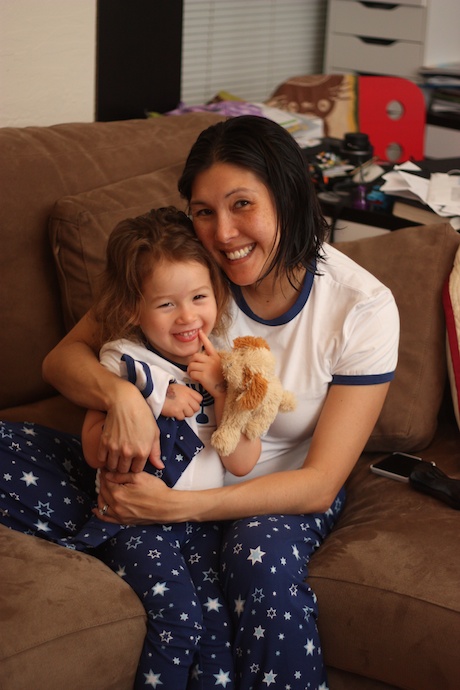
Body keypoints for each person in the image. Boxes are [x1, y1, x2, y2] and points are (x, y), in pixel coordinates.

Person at [36, 114, 400, 690]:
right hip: (176, 469)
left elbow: (320, 483)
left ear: (287, 195)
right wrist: (121, 396)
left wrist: (176, 510)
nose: (224, 234)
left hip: (276, 493)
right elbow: (63, 360)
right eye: (204, 211)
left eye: (241, 205)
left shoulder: (362, 308)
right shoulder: (189, 279)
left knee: (257, 551)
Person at [76, 206, 261, 689]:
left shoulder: (230, 362)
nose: (187, 317)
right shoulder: (124, 360)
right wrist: (151, 400)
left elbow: (242, 462)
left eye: (199, 297)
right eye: (165, 305)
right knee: (180, 620)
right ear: (135, 309)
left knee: (218, 635)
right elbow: (95, 449)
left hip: (200, 527)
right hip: (136, 522)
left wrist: (221, 393)